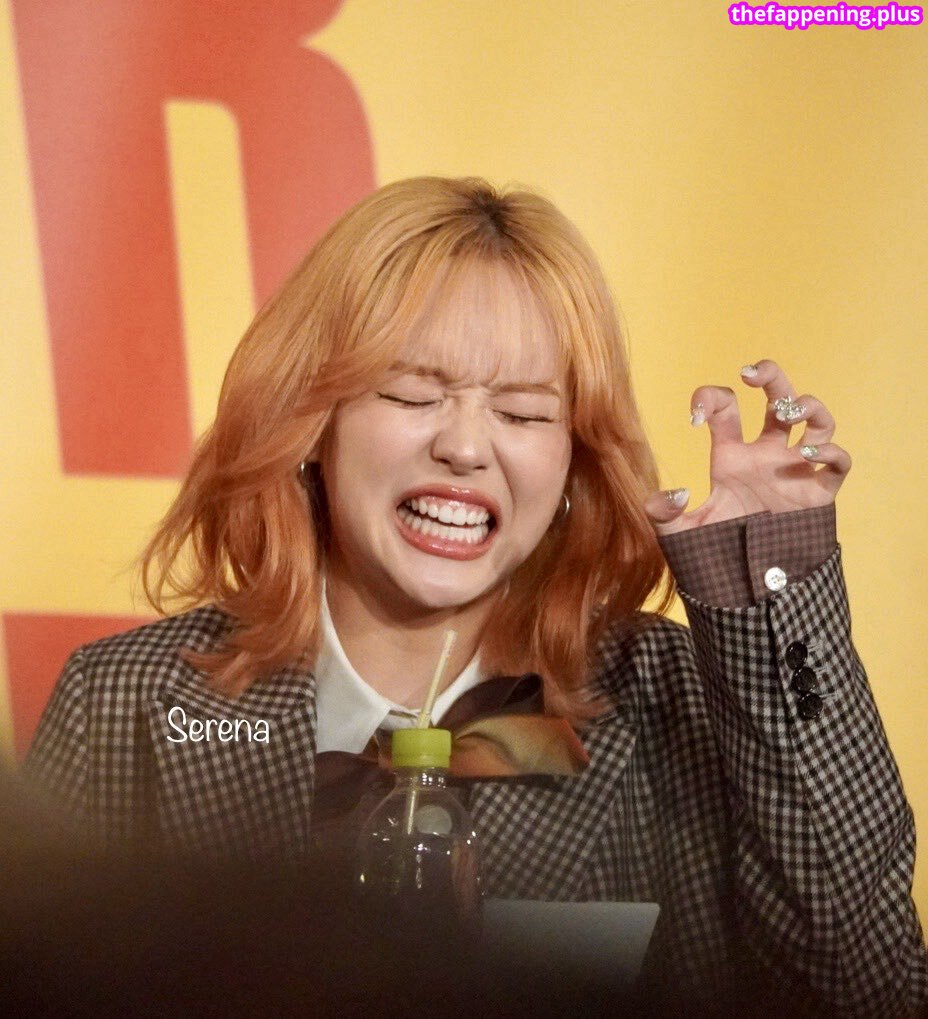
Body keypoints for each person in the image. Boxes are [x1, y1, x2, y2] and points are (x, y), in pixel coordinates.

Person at [23, 177, 927, 1015]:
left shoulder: (675, 692)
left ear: (574, 457)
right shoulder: (124, 701)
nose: (464, 446)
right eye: (413, 393)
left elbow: (870, 988)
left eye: (524, 413)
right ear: (311, 422)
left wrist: (766, 581)